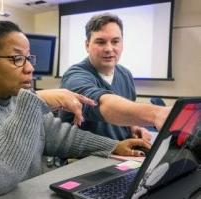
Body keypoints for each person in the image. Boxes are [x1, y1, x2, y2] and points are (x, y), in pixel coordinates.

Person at [0, 21, 151, 197]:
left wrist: (113, 146)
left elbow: (59, 136)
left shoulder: (10, 98)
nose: (29, 68)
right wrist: (34, 102)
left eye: (29, 58)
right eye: (17, 59)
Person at [60, 13, 170, 154]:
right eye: (101, 42)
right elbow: (103, 104)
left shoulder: (125, 74)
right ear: (87, 45)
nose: (109, 49)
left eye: (115, 41)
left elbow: (123, 113)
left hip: (124, 155)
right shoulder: (74, 76)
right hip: (86, 159)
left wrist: (133, 127)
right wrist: (156, 114)